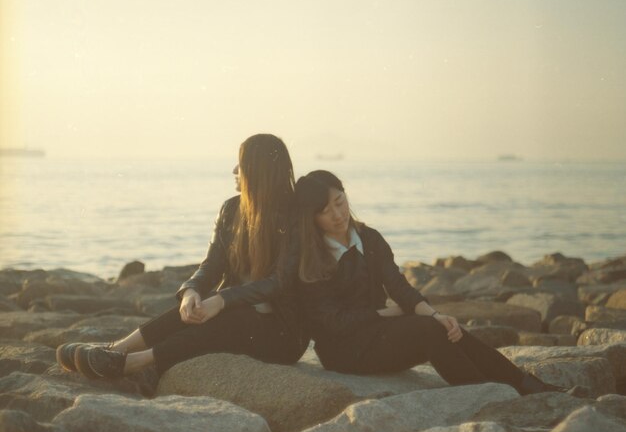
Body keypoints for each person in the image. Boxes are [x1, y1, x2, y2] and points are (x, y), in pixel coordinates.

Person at [56, 133, 308, 379]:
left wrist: (222, 300)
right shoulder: (231, 209)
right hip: (236, 310)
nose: (234, 169)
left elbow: (279, 281)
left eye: (241, 164)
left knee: (230, 317)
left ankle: (136, 363)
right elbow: (211, 265)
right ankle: (117, 349)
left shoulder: (295, 216)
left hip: (282, 333)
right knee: (196, 308)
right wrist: (191, 291)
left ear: (258, 170)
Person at [294, 169, 566, 395]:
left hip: (379, 332)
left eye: (340, 202)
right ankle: (487, 394)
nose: (338, 215)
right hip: (344, 351)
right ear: (312, 217)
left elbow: (399, 287)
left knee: (445, 328)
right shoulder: (312, 257)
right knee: (428, 331)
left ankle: (526, 385)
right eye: (325, 211)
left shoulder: (369, 238)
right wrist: (387, 313)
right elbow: (332, 322)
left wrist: (436, 314)